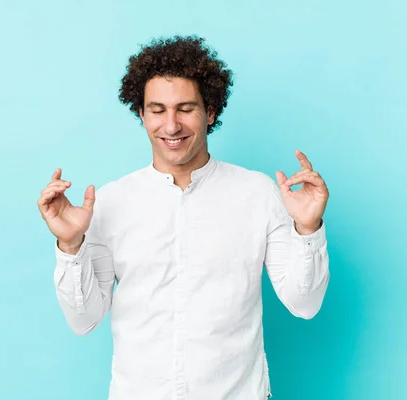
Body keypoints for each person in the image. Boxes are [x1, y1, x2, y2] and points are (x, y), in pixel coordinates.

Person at [37, 35, 330, 400]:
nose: (171, 126)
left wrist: (307, 229)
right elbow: (84, 321)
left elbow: (305, 304)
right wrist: (70, 245)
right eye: (157, 110)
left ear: (210, 112)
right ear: (141, 114)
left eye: (186, 108)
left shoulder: (259, 194)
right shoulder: (110, 202)